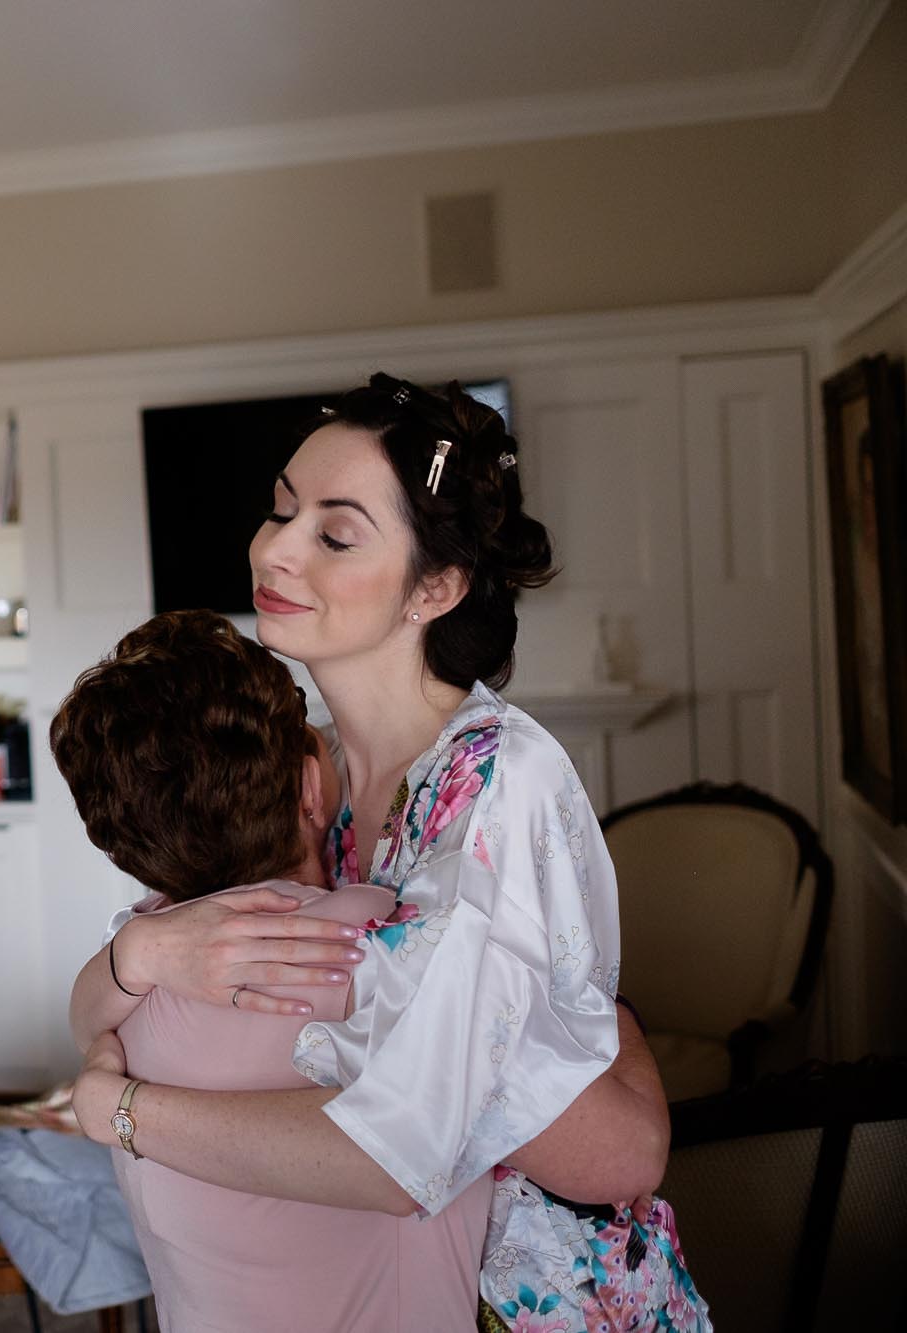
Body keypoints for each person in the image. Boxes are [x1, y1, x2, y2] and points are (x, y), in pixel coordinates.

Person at [64, 375, 699, 1330]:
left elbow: (559, 1150)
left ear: (434, 588)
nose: (272, 547)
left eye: (334, 531)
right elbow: (119, 997)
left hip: (537, 1299)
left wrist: (121, 1113)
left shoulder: (498, 782)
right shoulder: (301, 764)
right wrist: (138, 954)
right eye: (281, 508)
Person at [52, 609, 491, 1331]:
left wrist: (128, 982)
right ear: (310, 787)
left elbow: (84, 1011)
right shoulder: (376, 941)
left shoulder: (135, 968)